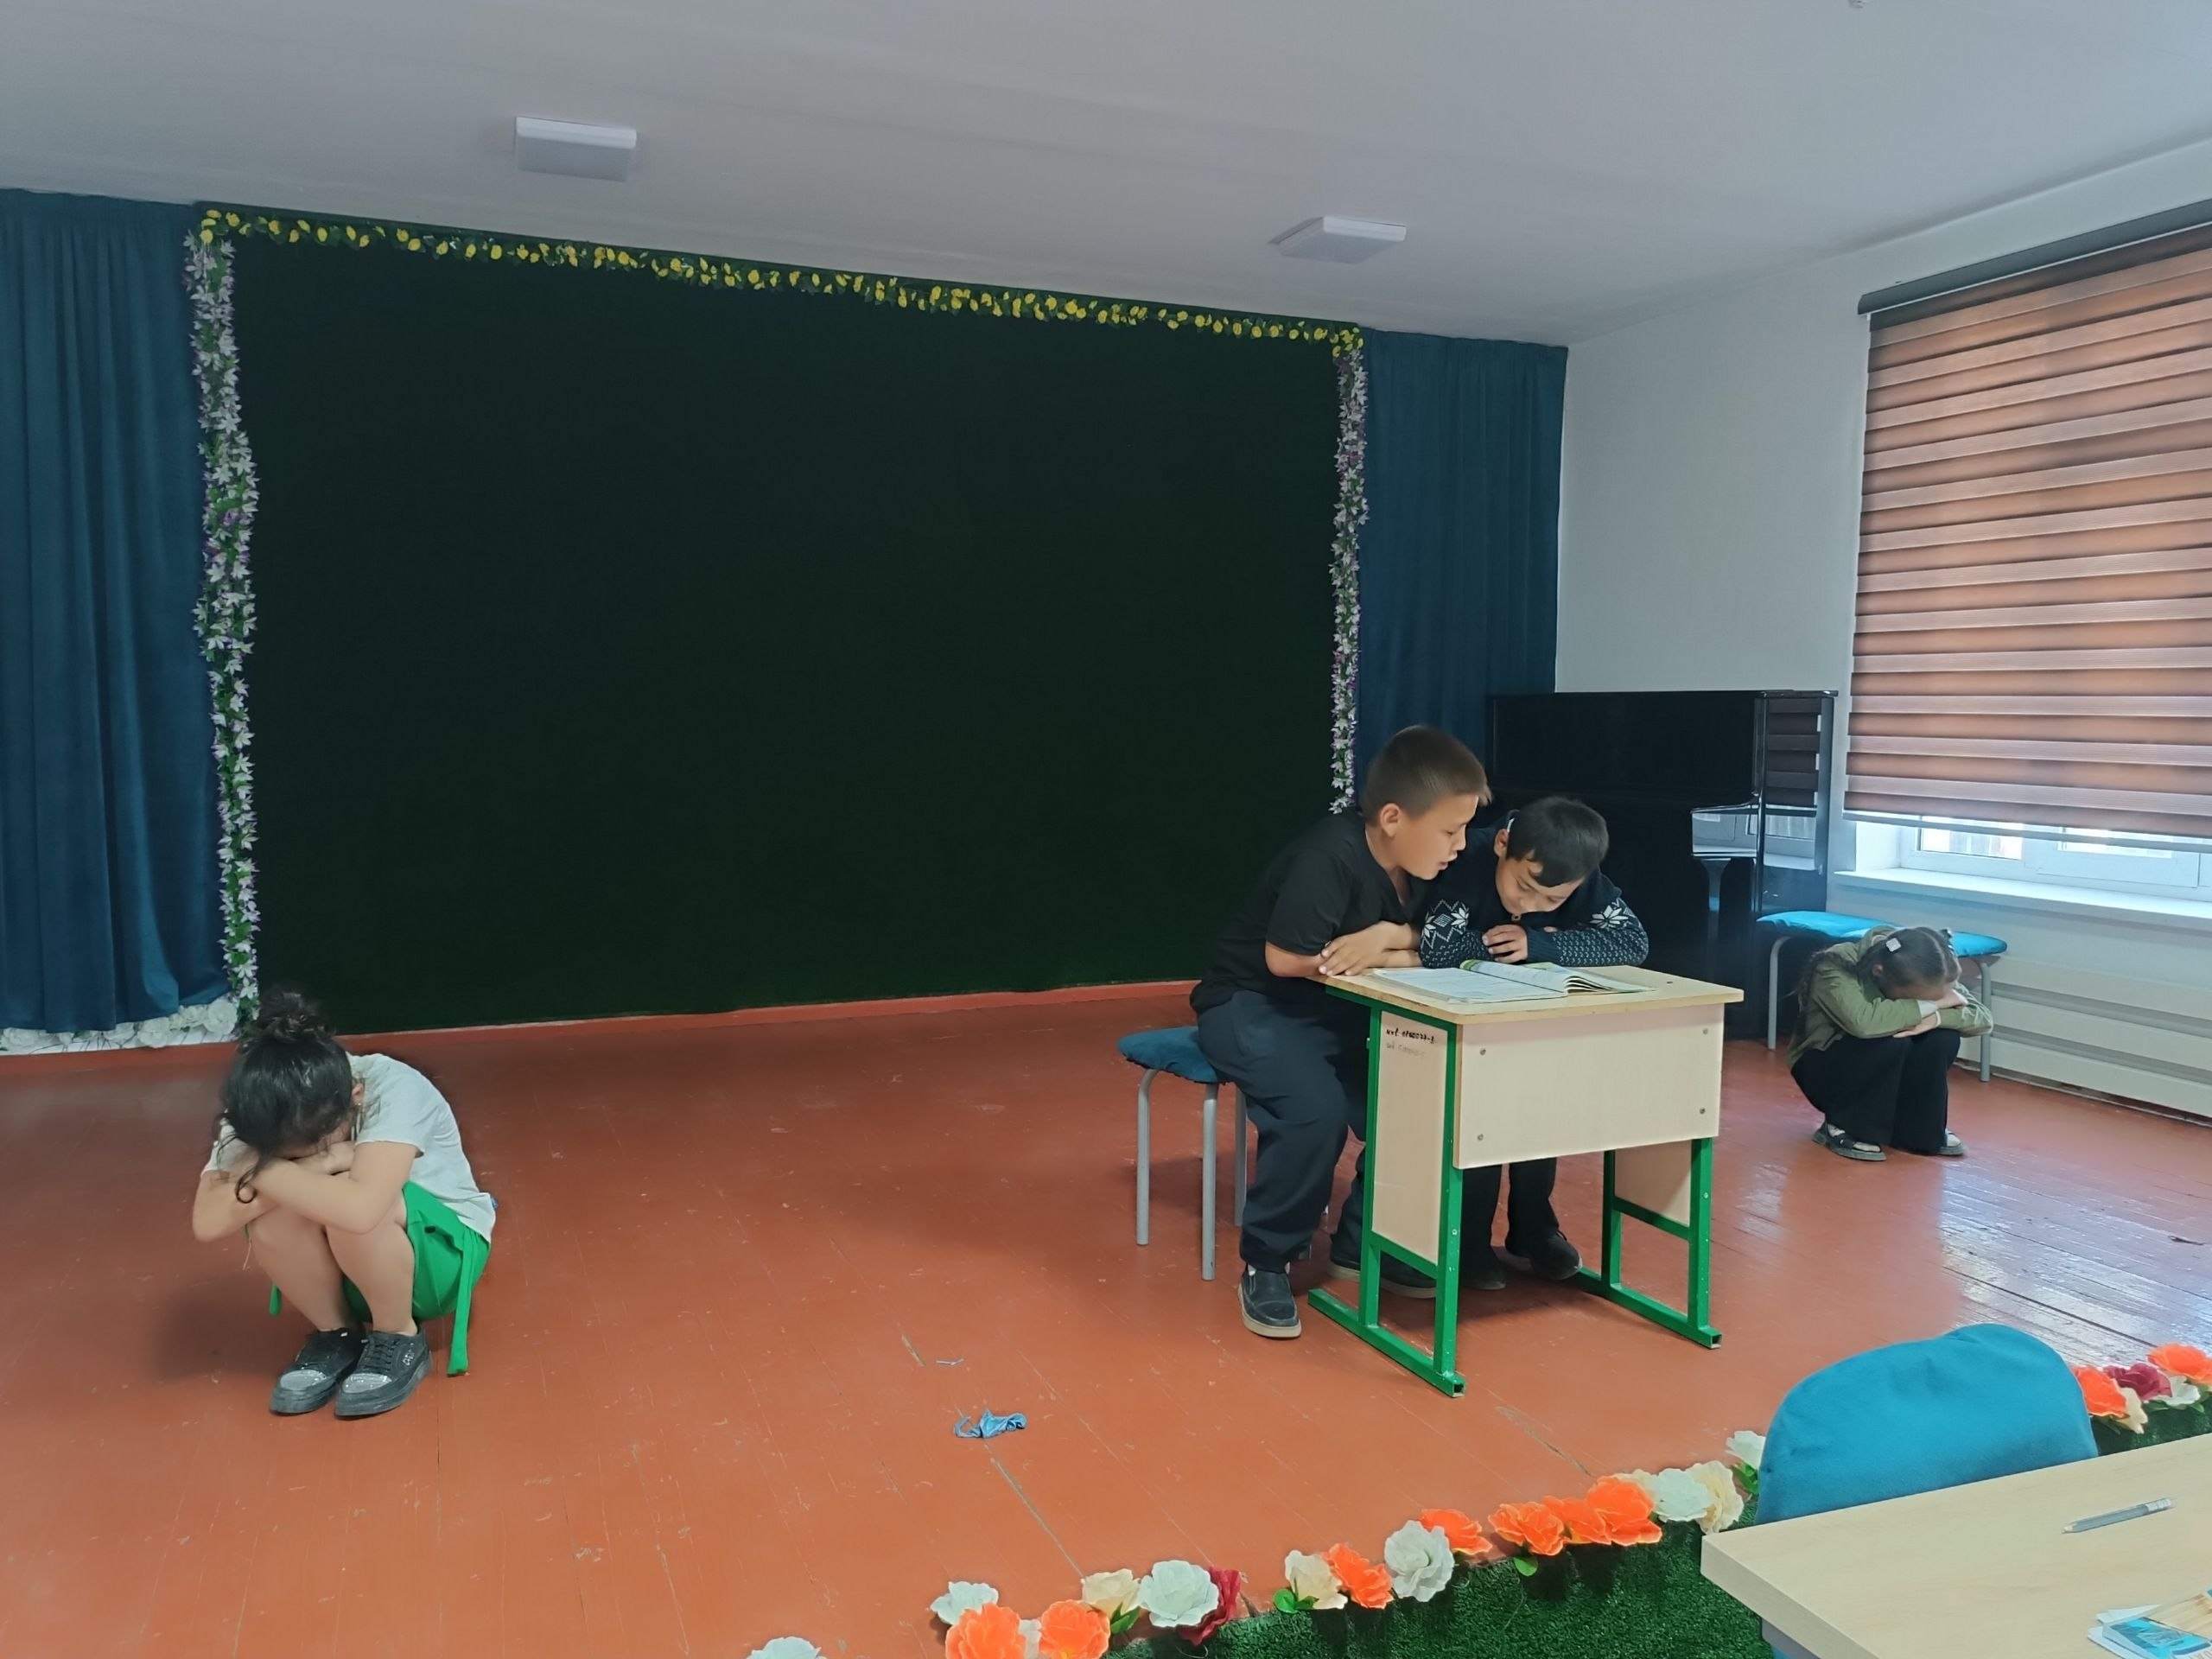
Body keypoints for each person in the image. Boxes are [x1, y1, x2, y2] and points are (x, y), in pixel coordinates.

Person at [1192, 726, 1490, 1339]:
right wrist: (1402, 953)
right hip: (1254, 1004)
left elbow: (1456, 941)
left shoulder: (1430, 865)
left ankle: (1359, 1243)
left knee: (1423, 1102)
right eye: (1449, 832)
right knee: (1316, 1113)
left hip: (1343, 1005)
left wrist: (1389, 940)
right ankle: (1267, 1261)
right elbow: (1284, 958)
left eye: (1465, 830)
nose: (1461, 845)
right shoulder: (1329, 857)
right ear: (1392, 818)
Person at [190, 991, 495, 1417]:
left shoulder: (393, 1087)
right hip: (347, 1269)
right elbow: (207, 1221)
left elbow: (361, 1211)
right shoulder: (259, 1104)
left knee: (343, 1204)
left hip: (437, 1263)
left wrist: (261, 1170)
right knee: (276, 1212)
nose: (291, 1158)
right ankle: (337, 1335)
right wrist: (325, 1160)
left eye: (314, 1147)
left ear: (355, 1096)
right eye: (279, 1152)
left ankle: (399, 1336)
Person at [1414, 796, 1649, 1288]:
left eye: (1552, 901)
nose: (1529, 906)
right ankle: (1470, 1240)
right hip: (1460, 1028)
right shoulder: (1469, 856)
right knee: (1478, 1121)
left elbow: (1633, 941)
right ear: (1503, 845)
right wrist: (1512, 944)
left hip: (1536, 1023)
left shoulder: (1575, 869)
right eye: (1523, 887)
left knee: (1538, 1115)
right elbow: (1436, 945)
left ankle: (1534, 1229)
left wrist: (1543, 943)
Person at [1789, 925, 1991, 1161]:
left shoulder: (1929, 964)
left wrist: (1935, 1019)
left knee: (1942, 1036)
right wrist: (1935, 1005)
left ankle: (1917, 1129)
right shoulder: (1834, 965)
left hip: (1890, 1058)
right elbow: (1864, 1022)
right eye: (1919, 998)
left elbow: (1983, 1018)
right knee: (1887, 1038)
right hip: (1823, 1064)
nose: (1931, 1001)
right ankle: (1845, 1124)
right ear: (1879, 972)